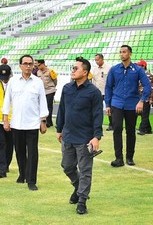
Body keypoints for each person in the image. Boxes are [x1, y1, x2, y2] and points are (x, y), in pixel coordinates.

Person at [56, 57, 103, 215]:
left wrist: (97, 136)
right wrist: (59, 128)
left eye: (76, 68)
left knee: (85, 171)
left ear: (85, 72)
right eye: (72, 68)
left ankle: (82, 200)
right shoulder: (67, 88)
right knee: (67, 167)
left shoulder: (94, 92)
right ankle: (78, 187)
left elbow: (98, 115)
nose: (73, 70)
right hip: (68, 135)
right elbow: (62, 109)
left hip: (85, 139)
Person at [3, 54, 48, 191]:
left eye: (30, 63)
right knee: (20, 151)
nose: (28, 66)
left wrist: (43, 121)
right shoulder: (13, 81)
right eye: (25, 63)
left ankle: (31, 180)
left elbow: (42, 102)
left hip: (32, 123)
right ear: (20, 65)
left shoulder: (38, 82)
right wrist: (5, 119)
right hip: (17, 123)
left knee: (33, 153)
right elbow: (7, 101)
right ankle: (22, 174)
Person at [105, 45, 151, 167]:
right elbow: (108, 87)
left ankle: (129, 157)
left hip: (132, 104)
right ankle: (118, 158)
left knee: (131, 131)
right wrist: (108, 104)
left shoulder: (138, 70)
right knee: (117, 129)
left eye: (124, 52)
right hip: (116, 103)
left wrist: (142, 101)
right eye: (120, 52)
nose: (122, 54)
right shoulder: (114, 69)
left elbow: (147, 86)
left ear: (130, 54)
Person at [92, 53, 112, 131]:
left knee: (109, 108)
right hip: (98, 92)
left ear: (102, 59)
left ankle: (112, 124)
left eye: (98, 60)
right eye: (95, 60)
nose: (96, 61)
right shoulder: (95, 69)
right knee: (97, 110)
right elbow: (94, 80)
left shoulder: (109, 68)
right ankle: (97, 125)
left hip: (107, 92)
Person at [137, 60, 153, 135]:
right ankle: (148, 129)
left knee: (144, 114)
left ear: (143, 66)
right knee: (143, 114)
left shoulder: (148, 76)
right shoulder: (139, 75)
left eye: (139, 65)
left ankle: (142, 129)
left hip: (146, 97)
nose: (138, 67)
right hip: (140, 97)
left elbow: (152, 88)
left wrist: (151, 98)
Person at [36, 59, 58, 127]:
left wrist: (52, 87)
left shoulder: (50, 71)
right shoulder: (38, 72)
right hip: (42, 91)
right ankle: (43, 121)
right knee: (42, 106)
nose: (38, 67)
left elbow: (55, 81)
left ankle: (49, 122)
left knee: (48, 106)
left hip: (50, 90)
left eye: (39, 65)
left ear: (43, 64)